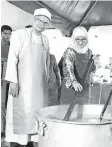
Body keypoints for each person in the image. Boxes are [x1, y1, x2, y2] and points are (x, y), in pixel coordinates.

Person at [4, 8, 51, 147]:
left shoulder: (45, 39)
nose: (41, 24)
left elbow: (46, 63)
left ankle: (34, 142)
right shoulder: (20, 34)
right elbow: (12, 58)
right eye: (39, 20)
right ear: (33, 19)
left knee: (37, 115)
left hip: (39, 86)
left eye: (45, 23)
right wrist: (13, 81)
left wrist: (46, 82)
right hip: (22, 85)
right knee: (22, 115)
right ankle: (19, 143)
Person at [60, 26, 95, 105]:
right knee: (69, 111)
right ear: (73, 39)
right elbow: (67, 67)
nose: (81, 42)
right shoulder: (69, 51)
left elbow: (92, 67)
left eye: (83, 39)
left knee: (83, 111)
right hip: (72, 87)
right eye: (78, 39)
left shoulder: (89, 52)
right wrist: (74, 82)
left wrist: (92, 75)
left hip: (85, 87)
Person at [1, 25, 12, 137]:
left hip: (10, 80)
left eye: (9, 34)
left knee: (8, 105)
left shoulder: (13, 46)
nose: (8, 36)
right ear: (1, 33)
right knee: (1, 104)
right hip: (2, 80)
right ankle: (2, 130)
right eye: (5, 33)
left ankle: (6, 130)